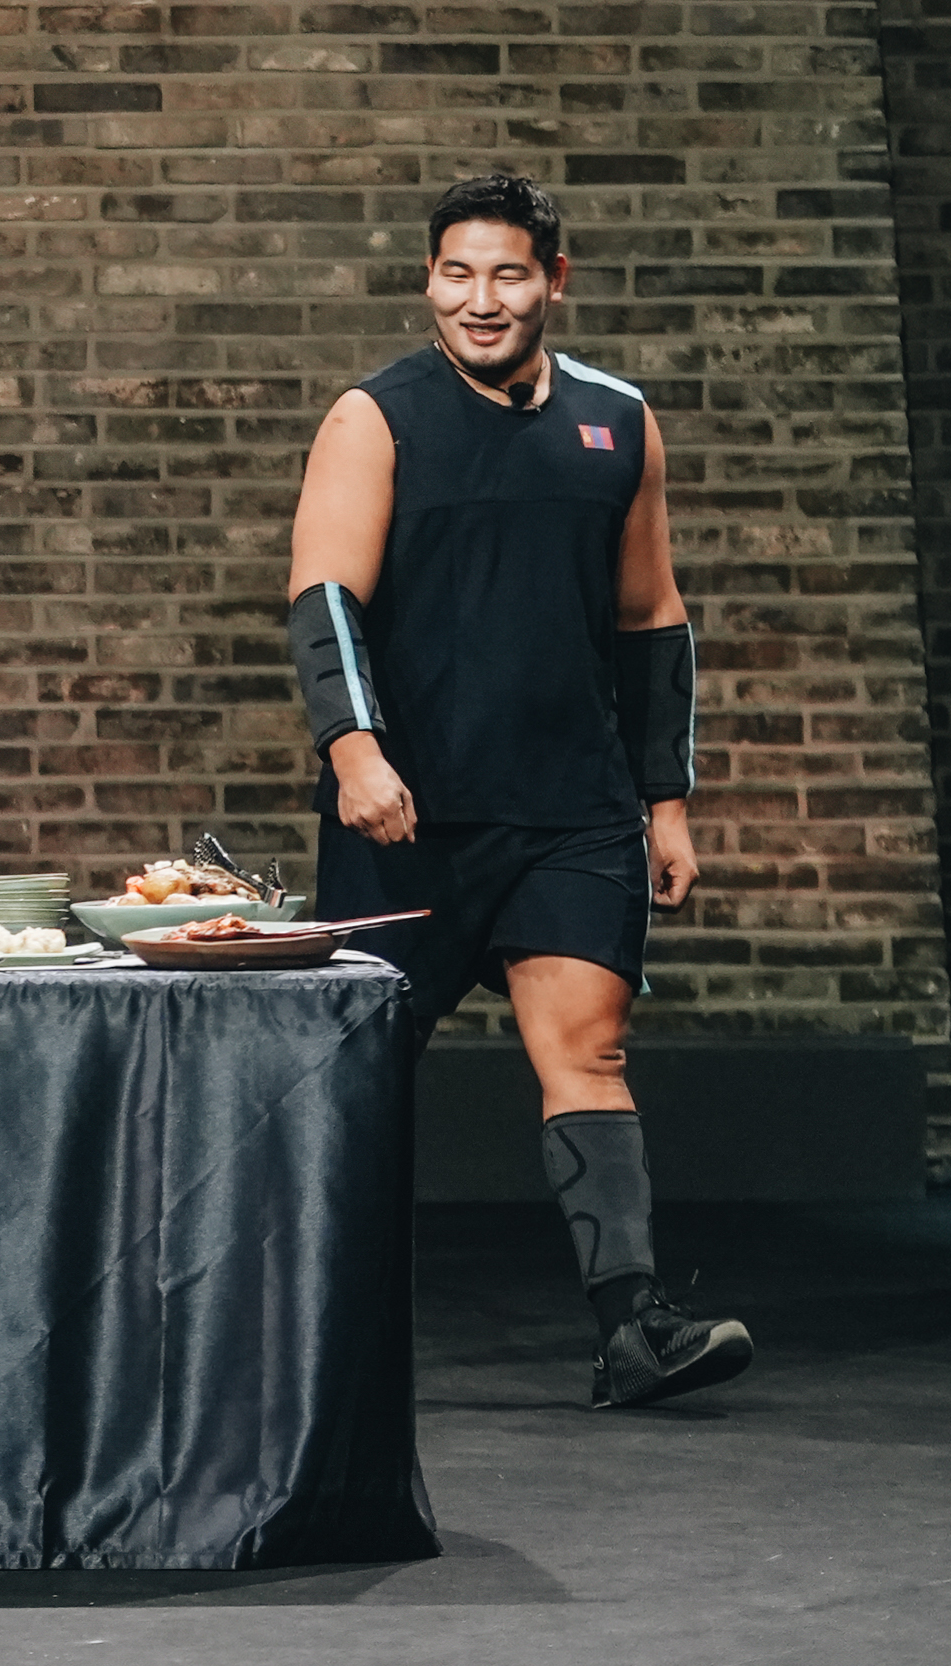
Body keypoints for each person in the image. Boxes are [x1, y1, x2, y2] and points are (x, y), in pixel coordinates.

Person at [287, 172, 750, 1412]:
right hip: (415, 805)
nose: (480, 299)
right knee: (367, 1071)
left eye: (506, 273)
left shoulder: (617, 420)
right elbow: (325, 597)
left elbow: (653, 618)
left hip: (573, 807)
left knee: (588, 1050)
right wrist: (354, 751)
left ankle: (633, 1329)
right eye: (456, 273)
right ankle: (317, 1337)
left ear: (555, 277)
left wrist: (666, 802)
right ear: (428, 279)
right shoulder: (374, 417)